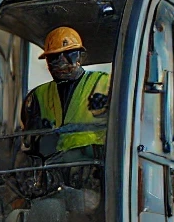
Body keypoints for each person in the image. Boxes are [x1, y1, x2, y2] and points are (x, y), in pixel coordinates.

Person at [20, 26, 111, 159]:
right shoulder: (37, 96)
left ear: (82, 56)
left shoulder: (105, 83)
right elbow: (30, 142)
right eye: (53, 57)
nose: (60, 60)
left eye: (68, 53)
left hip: (94, 167)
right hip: (54, 171)